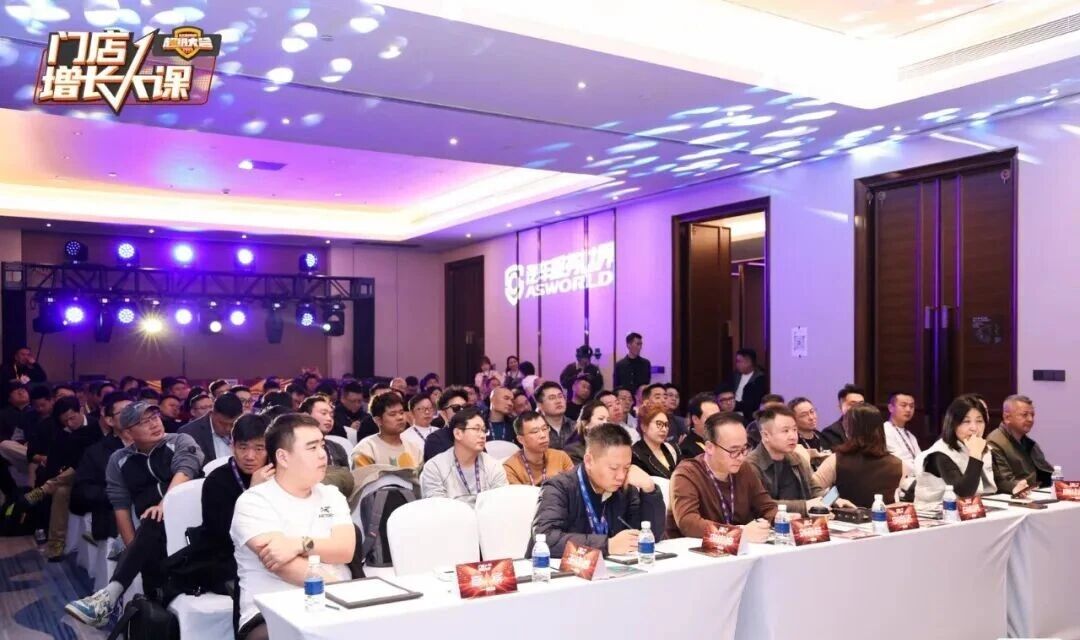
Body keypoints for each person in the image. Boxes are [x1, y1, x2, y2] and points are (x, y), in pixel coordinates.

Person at [65, 402, 203, 627]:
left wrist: (164, 505)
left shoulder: (180, 441)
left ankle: (110, 595)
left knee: (154, 517)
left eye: (155, 417)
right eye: (144, 422)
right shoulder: (118, 460)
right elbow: (120, 507)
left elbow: (185, 471)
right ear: (128, 433)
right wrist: (135, 552)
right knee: (151, 529)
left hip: (193, 528)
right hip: (153, 537)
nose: (154, 424)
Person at [230, 413, 355, 640]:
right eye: (312, 448)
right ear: (283, 457)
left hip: (338, 604)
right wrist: (346, 593)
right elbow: (284, 565)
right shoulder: (254, 501)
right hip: (273, 610)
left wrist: (299, 544)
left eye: (322, 445)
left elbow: (345, 550)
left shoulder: (331, 494)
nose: (322, 454)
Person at [531, 423, 664, 558]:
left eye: (626, 467)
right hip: (556, 569)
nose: (621, 476)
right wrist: (607, 545)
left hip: (610, 567)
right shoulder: (559, 487)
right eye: (613, 468)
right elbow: (545, 538)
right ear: (589, 461)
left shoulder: (625, 488)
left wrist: (650, 490)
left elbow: (649, 535)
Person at [665, 411, 777, 542]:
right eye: (734, 451)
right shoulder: (687, 473)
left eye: (744, 448)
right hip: (692, 549)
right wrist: (737, 533)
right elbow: (688, 523)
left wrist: (783, 519)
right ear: (709, 448)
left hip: (737, 548)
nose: (741, 457)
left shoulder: (744, 468)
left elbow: (767, 507)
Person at [22, 397, 101, 559]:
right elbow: (54, 462)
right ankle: (56, 546)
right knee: (61, 492)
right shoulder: (62, 433)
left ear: (81, 410)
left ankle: (43, 490)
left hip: (94, 477)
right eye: (65, 421)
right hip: (71, 479)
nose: (70, 424)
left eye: (72, 418)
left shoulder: (96, 427)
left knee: (79, 468)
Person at [199, 413, 274, 581]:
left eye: (259, 448)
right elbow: (222, 535)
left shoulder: (278, 474)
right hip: (228, 560)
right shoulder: (217, 481)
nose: (250, 456)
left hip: (272, 553)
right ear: (232, 447)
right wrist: (252, 492)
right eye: (243, 447)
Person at [747, 405, 854, 516]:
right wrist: (804, 506)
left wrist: (833, 500)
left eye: (794, 430)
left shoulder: (797, 459)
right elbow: (762, 505)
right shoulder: (751, 465)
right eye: (785, 431)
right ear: (765, 435)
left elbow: (814, 490)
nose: (793, 436)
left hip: (801, 522)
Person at [813, 403, 904, 508]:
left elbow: (812, 491)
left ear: (850, 430)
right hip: (883, 517)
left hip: (844, 517)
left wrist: (833, 498)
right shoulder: (898, 464)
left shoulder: (836, 460)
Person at [70, 391, 131, 543]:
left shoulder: (155, 443)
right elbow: (83, 490)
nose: (132, 415)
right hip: (115, 513)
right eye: (124, 412)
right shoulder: (97, 452)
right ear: (110, 420)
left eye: (135, 410)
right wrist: (118, 494)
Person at [914, 396, 996, 508]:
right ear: (953, 424)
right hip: (935, 512)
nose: (974, 428)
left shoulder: (980, 446)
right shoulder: (939, 453)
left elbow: (996, 481)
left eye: (979, 421)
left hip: (969, 509)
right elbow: (964, 492)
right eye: (966, 421)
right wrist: (975, 455)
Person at [420, 407, 507, 505]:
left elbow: (500, 504)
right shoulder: (435, 467)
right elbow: (438, 507)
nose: (483, 435)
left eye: (484, 430)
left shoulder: (494, 466)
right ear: (458, 433)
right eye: (476, 429)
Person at [987, 395, 1052, 494]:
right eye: (1024, 415)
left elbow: (1046, 474)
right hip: (1014, 497)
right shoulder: (994, 442)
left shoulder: (1030, 443)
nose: (1030, 419)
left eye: (1032, 415)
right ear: (1007, 417)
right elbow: (1005, 482)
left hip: (1035, 493)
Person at [351, 392, 421, 469]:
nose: (400, 417)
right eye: (393, 414)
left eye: (401, 412)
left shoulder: (414, 448)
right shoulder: (365, 449)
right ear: (378, 420)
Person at [503, 411, 573, 486]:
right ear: (521, 439)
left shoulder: (561, 457)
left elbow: (574, 487)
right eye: (535, 431)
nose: (543, 435)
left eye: (544, 429)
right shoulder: (511, 467)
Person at [179, 392, 244, 462]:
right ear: (212, 413)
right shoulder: (189, 433)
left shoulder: (245, 429)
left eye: (232, 424)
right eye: (222, 423)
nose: (228, 429)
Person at [631, 403, 680, 479]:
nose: (664, 429)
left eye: (666, 424)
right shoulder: (635, 454)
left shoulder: (673, 449)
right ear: (644, 426)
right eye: (659, 424)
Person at [422, 387, 470, 462]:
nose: (462, 411)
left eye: (465, 407)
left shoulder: (474, 434)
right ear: (444, 413)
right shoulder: (435, 440)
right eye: (456, 408)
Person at [883, 392, 922, 473]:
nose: (908, 409)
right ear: (891, 408)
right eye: (903, 405)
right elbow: (898, 460)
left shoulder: (911, 436)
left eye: (911, 406)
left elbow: (920, 458)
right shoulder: (885, 430)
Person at [819, 384, 865, 449]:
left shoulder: (870, 429)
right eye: (853, 404)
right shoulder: (830, 433)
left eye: (861, 404)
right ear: (840, 407)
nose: (858, 408)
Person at [563, 400, 610, 464]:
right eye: (601, 419)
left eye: (608, 420)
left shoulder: (613, 445)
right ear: (585, 423)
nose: (606, 423)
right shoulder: (573, 450)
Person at [535, 381, 576, 450]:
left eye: (560, 396)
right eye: (552, 398)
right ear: (540, 405)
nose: (558, 401)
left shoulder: (576, 427)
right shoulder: (534, 430)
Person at [680, 392, 719, 459]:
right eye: (711, 418)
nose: (717, 421)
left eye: (718, 417)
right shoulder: (687, 450)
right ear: (695, 419)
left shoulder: (722, 441)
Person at [732, 348, 767, 419]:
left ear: (749, 362)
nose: (737, 364)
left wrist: (735, 405)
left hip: (748, 416)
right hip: (732, 413)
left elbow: (753, 404)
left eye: (739, 361)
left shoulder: (759, 379)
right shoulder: (735, 375)